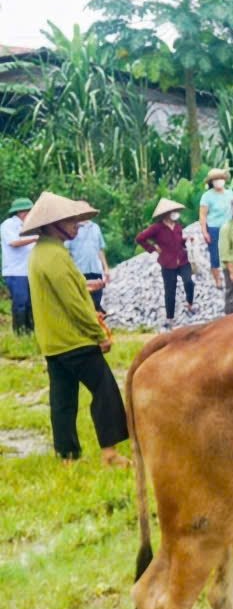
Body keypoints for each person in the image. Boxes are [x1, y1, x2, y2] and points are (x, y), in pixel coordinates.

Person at [23, 192, 129, 467]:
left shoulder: (41, 253)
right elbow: (72, 304)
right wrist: (98, 334)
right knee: (106, 391)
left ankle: (67, 457)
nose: (76, 225)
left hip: (53, 343)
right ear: (51, 224)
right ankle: (110, 454)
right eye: (70, 221)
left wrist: (83, 287)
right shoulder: (56, 256)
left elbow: (63, 292)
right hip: (74, 342)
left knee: (63, 401)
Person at [135, 198, 196, 330]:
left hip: (182, 260)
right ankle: (170, 318)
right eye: (172, 211)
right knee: (170, 290)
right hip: (167, 262)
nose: (175, 213)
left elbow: (179, 241)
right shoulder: (157, 228)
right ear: (166, 213)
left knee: (189, 282)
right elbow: (140, 238)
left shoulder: (178, 226)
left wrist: (186, 240)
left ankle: (190, 304)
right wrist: (153, 248)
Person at [2, 197, 37, 334]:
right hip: (15, 271)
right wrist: (34, 238)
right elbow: (14, 242)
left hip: (29, 270)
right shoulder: (8, 225)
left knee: (30, 303)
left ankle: (30, 331)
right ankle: (19, 332)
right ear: (22, 212)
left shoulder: (30, 225)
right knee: (20, 302)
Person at [199, 168, 233, 290]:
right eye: (216, 179)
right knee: (215, 255)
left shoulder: (230, 193)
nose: (219, 181)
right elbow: (203, 215)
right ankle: (217, 279)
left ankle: (231, 275)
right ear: (212, 182)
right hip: (214, 228)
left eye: (220, 179)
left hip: (229, 227)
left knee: (230, 252)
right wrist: (204, 232)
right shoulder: (207, 196)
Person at [66, 216, 110, 314]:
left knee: (97, 299)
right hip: (80, 270)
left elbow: (100, 249)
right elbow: (67, 251)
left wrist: (106, 268)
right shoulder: (73, 228)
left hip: (96, 268)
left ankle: (99, 322)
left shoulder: (96, 227)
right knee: (83, 300)